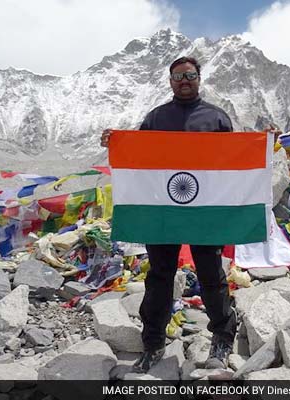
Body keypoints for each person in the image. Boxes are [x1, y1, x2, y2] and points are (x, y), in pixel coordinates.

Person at [100, 56, 237, 373]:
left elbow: (234, 162)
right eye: (177, 76)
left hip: (204, 211)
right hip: (163, 210)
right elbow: (138, 158)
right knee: (159, 277)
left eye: (190, 74)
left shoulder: (216, 118)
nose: (184, 80)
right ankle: (152, 343)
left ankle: (222, 337)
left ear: (199, 78)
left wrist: (264, 145)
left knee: (211, 274)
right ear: (170, 81)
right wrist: (114, 142)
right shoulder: (155, 117)